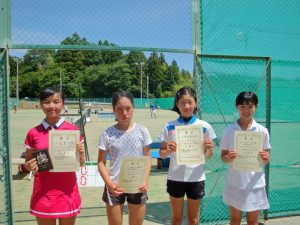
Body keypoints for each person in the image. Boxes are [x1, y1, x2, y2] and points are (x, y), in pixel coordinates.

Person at [24, 86, 85, 225]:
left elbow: (81, 163)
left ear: (63, 104)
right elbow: (28, 162)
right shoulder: (33, 133)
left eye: (56, 101)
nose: (51, 106)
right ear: (41, 104)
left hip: (67, 193)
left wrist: (81, 154)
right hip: (43, 195)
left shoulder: (73, 130)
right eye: (47, 102)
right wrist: (29, 165)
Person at [159, 86, 216, 225]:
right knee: (176, 219)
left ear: (195, 103)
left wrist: (208, 148)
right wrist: (168, 149)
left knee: (193, 219)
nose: (186, 106)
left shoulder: (204, 126)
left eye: (190, 102)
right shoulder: (169, 126)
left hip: (196, 178)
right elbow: (161, 154)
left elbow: (208, 155)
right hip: (175, 177)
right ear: (177, 104)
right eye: (182, 102)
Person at [97, 90, 152, 225]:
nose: (124, 113)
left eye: (128, 108)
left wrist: (144, 180)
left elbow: (148, 157)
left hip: (137, 185)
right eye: (119, 109)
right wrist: (109, 184)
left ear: (133, 108)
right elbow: (101, 162)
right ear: (114, 110)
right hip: (114, 185)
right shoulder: (107, 134)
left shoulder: (142, 131)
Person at [220, 91, 270, 225]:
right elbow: (223, 157)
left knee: (252, 221)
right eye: (242, 106)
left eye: (250, 106)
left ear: (256, 107)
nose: (246, 110)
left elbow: (266, 158)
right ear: (236, 106)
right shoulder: (228, 131)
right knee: (235, 220)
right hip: (235, 183)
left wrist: (265, 158)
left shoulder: (262, 131)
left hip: (255, 184)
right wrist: (228, 157)